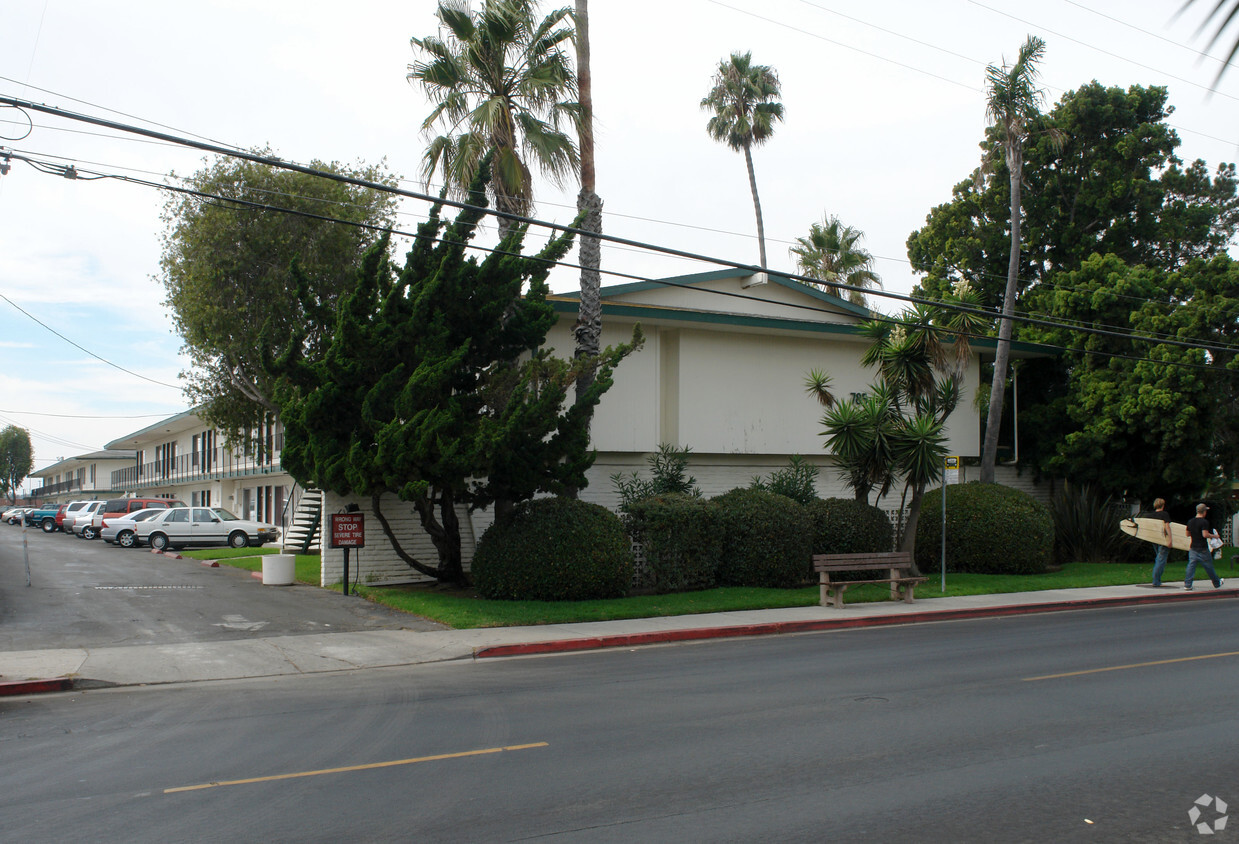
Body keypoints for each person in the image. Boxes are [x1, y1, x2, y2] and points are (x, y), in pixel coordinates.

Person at [1184, 503, 1223, 591]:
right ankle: (1217, 583)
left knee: (1191, 566)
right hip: (1202, 548)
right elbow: (1205, 534)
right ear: (1204, 512)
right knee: (1209, 567)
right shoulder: (1204, 522)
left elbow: (1187, 534)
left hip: (1193, 547)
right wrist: (1214, 536)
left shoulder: (1190, 521)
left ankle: (1187, 584)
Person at [1150, 498, 1172, 587]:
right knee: (1161, 560)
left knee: (1159, 559)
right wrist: (1170, 539)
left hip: (1154, 539)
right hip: (1163, 539)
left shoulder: (1151, 515)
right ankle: (1156, 581)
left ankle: (1157, 580)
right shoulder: (1164, 514)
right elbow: (1167, 527)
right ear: (1163, 505)